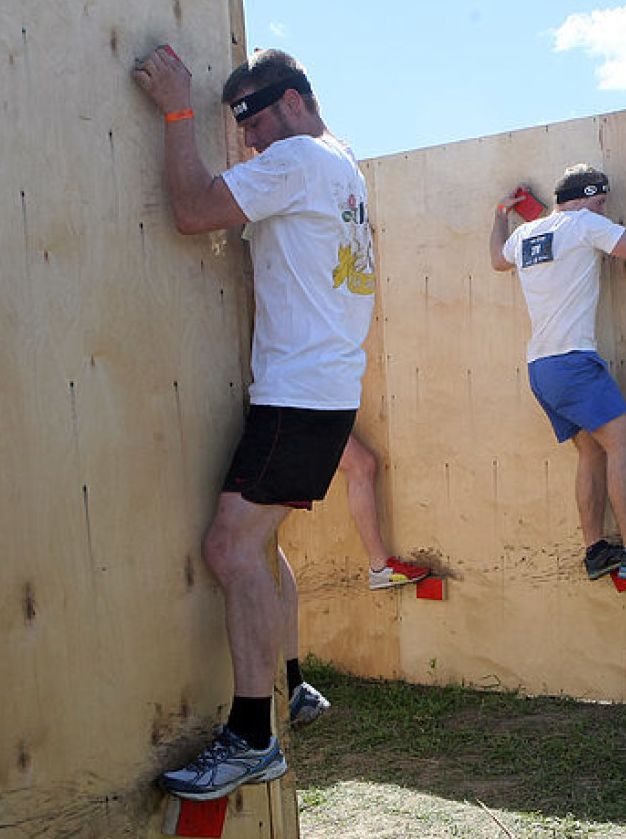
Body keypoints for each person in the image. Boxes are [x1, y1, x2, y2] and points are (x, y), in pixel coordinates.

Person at [132, 46, 374, 799]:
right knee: (257, 546)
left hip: (298, 394)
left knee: (229, 548)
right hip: (319, 390)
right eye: (245, 133)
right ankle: (290, 687)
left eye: (259, 123)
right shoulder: (340, 159)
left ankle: (251, 735)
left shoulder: (298, 156)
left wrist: (177, 110)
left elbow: (193, 211)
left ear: (295, 101)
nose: (254, 145)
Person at [490, 165, 626, 582]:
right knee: (622, 446)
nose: (603, 210)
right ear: (585, 198)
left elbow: (496, 259)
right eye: (600, 202)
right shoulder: (584, 223)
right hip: (574, 362)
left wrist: (499, 214)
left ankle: (596, 549)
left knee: (592, 451)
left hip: (541, 367)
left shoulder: (528, 234)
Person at [338, 432, 431, 589]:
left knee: (361, 466)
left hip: (299, 413)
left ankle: (380, 566)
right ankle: (380, 566)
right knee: (360, 466)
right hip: (298, 412)